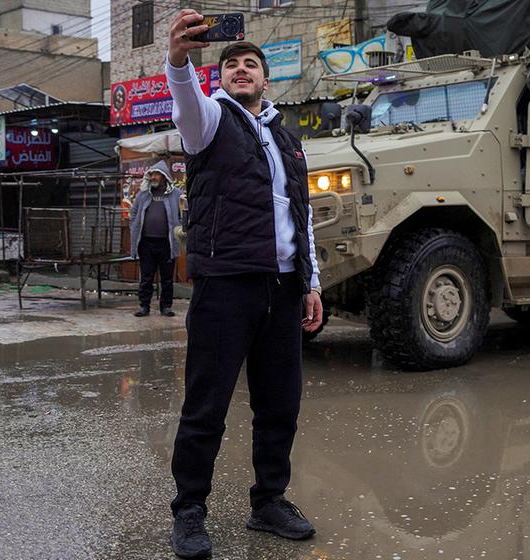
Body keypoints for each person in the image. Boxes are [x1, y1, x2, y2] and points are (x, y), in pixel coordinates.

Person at [165, 9, 324, 559]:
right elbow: (184, 97)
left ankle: (268, 502)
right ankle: (189, 511)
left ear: (265, 77)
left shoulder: (287, 137)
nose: (241, 69)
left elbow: (300, 214)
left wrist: (311, 282)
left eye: (251, 64)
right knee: (206, 404)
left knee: (280, 403)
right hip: (226, 285)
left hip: (282, 289)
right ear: (220, 76)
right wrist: (179, 58)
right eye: (232, 63)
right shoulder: (209, 121)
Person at [129, 160, 183, 317]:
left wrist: (180, 230)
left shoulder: (176, 195)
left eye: (156, 174)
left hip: (167, 243)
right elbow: (134, 213)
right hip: (146, 243)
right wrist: (134, 227)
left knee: (167, 278)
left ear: (164, 176)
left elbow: (184, 213)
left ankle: (166, 307)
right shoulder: (143, 195)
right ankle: (144, 306)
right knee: (146, 277)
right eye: (151, 174)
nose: (153, 177)